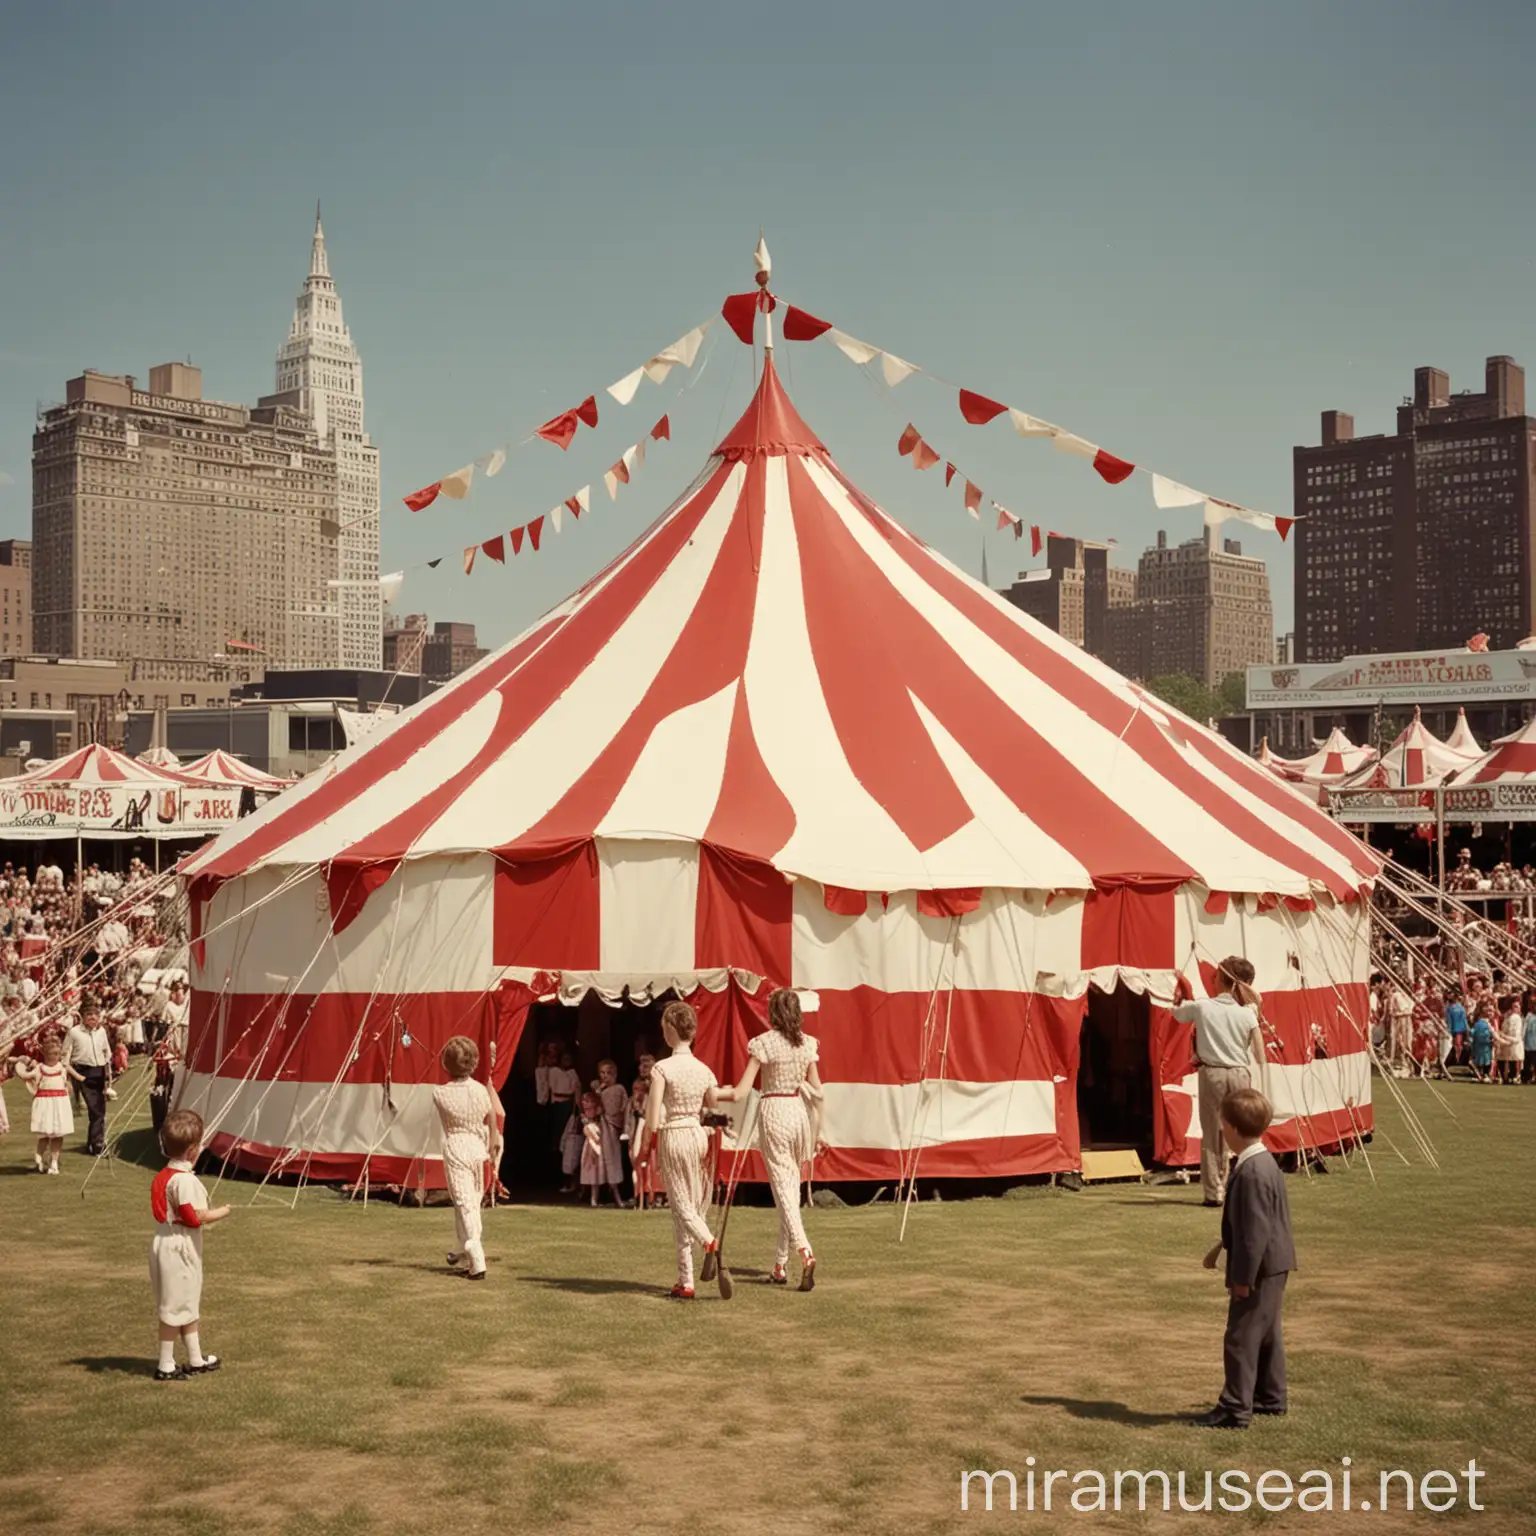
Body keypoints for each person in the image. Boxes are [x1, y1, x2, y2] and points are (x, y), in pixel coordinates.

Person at [1196, 1087, 1297, 1430]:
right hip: (1275, 1264)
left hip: (1259, 1267)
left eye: (1223, 1124)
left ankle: (1235, 1408)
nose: (1222, 1129)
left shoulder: (1253, 1172)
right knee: (1266, 1333)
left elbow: (1254, 1233)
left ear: (1234, 1129)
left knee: (1240, 1336)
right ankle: (1270, 1397)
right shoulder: (1263, 1162)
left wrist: (1242, 1280)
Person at [716, 988, 826, 1290]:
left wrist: (713, 1093)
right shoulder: (807, 1045)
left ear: (773, 1013)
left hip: (775, 1111)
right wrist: (819, 1132)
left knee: (784, 1188)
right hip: (798, 1113)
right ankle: (780, 1264)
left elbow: (740, 1091)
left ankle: (804, 1250)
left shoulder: (764, 1044)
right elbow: (818, 1094)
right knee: (787, 1189)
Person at [631, 1000, 725, 1300]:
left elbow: (653, 1115)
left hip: (674, 1133)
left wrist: (645, 1147)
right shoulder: (703, 1069)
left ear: (671, 1030)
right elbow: (713, 1109)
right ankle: (685, 1280)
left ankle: (710, 1242)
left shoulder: (662, 1068)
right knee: (688, 1206)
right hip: (697, 1134)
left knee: (681, 1204)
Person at [1172, 957, 1264, 1207]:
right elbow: (1257, 1003)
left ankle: (1215, 1191)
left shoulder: (1203, 1007)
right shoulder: (1248, 1013)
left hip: (1213, 1074)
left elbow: (1177, 1012)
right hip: (1239, 1073)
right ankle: (1249, 1186)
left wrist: (1177, 987)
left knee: (1212, 1133)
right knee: (1245, 1132)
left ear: (1222, 980)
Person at [149, 1108, 231, 1380]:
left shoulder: (164, 1174)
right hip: (179, 1245)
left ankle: (195, 1357)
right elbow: (194, 1216)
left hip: (165, 1240)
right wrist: (222, 1212)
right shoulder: (184, 1181)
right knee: (174, 1305)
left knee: (186, 1300)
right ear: (193, 1150)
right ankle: (166, 1363)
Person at [431, 1036, 503, 1281]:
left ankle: (475, 1254)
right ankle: (462, 1249)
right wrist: (493, 1140)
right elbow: (491, 1114)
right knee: (470, 1201)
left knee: (464, 1203)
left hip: (457, 1146)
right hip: (477, 1146)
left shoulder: (440, 1093)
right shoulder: (480, 1090)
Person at [15, 1035, 77, 1173]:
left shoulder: (62, 1068)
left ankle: (54, 1161)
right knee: (44, 1135)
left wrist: (69, 1089)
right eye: (50, 1053)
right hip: (45, 1104)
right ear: (45, 1053)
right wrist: (20, 1065)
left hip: (60, 1103)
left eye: (56, 1053)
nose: (54, 1056)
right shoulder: (40, 1068)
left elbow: (68, 1086)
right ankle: (39, 1157)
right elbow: (26, 1076)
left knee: (58, 1134)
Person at [64, 999, 113, 1155]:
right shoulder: (74, 1032)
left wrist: (108, 1078)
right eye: (89, 1014)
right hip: (83, 1072)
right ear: (82, 1017)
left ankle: (92, 1143)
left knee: (98, 1111)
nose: (93, 1017)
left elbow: (107, 1053)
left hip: (100, 1072)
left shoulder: (102, 1032)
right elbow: (64, 1059)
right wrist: (78, 1078)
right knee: (96, 1110)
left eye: (95, 1014)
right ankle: (98, 1145)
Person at [594, 1059, 631, 1207]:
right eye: (602, 1073)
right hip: (602, 1127)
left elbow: (624, 1107)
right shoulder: (597, 1089)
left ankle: (619, 1194)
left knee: (616, 1159)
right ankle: (604, 1195)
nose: (605, 1076)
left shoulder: (619, 1089)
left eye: (608, 1073)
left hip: (615, 1128)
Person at [1494, 994, 1524, 1085]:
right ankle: (1505, 1077)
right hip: (1506, 1041)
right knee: (1503, 1059)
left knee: (1513, 1060)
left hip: (1513, 1041)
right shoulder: (1508, 1016)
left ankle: (1513, 1077)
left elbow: (1516, 1032)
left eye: (1517, 1007)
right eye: (1514, 1006)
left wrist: (1506, 1037)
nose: (1516, 1008)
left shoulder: (1517, 1018)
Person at [1469, 1002, 1496, 1083]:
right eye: (1488, 1011)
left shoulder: (1490, 1022)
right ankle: (1483, 1075)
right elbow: (1476, 1033)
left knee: (1487, 1059)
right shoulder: (1482, 1022)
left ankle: (1485, 1075)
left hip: (1487, 1044)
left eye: (1491, 1011)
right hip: (1482, 1045)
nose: (1490, 1013)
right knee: (1483, 1059)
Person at [1445, 988, 1469, 1069]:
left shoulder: (1461, 1007)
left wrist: (1467, 1028)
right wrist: (1449, 1030)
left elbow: (1464, 1018)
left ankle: (1459, 1060)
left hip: (1461, 1028)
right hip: (1454, 1029)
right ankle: (1456, 1060)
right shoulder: (1449, 1007)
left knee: (1459, 1045)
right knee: (1456, 1045)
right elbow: (1449, 1020)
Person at [1523, 990, 1536, 1086]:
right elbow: (1524, 1028)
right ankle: (1526, 1077)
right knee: (1527, 1061)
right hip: (1528, 1043)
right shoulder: (1528, 1016)